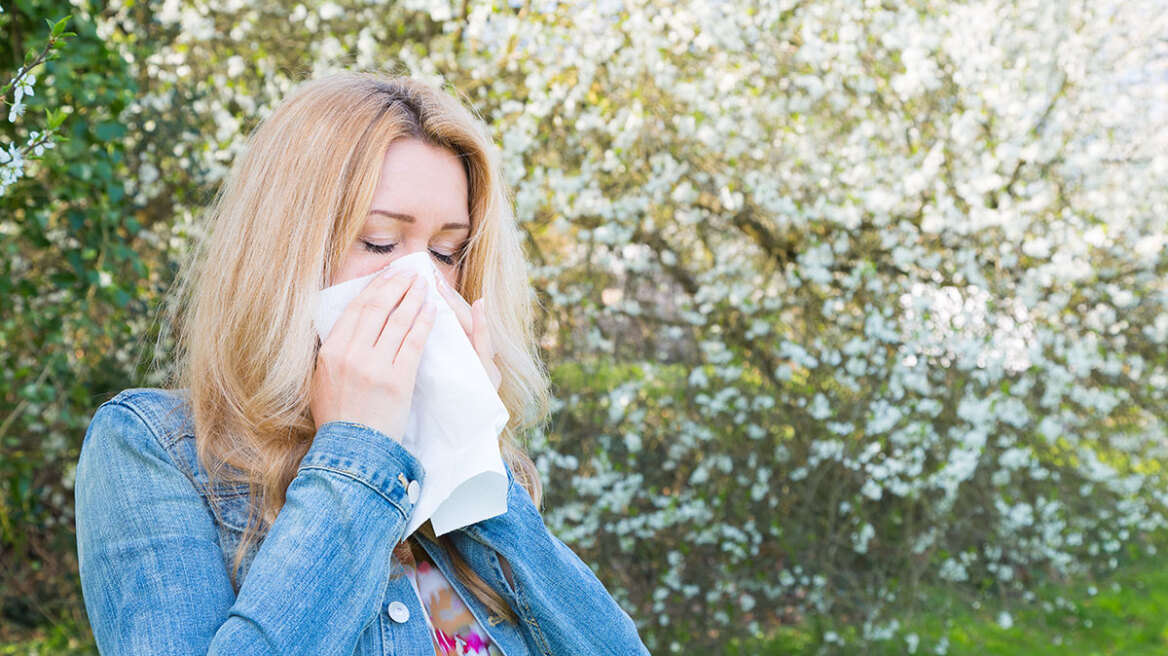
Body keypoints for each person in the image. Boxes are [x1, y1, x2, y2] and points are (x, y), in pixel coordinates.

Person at [73, 70, 652, 656]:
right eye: (379, 242)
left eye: (446, 252)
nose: (420, 280)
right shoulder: (150, 449)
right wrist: (358, 448)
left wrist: (467, 449)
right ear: (284, 251)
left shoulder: (459, 466)